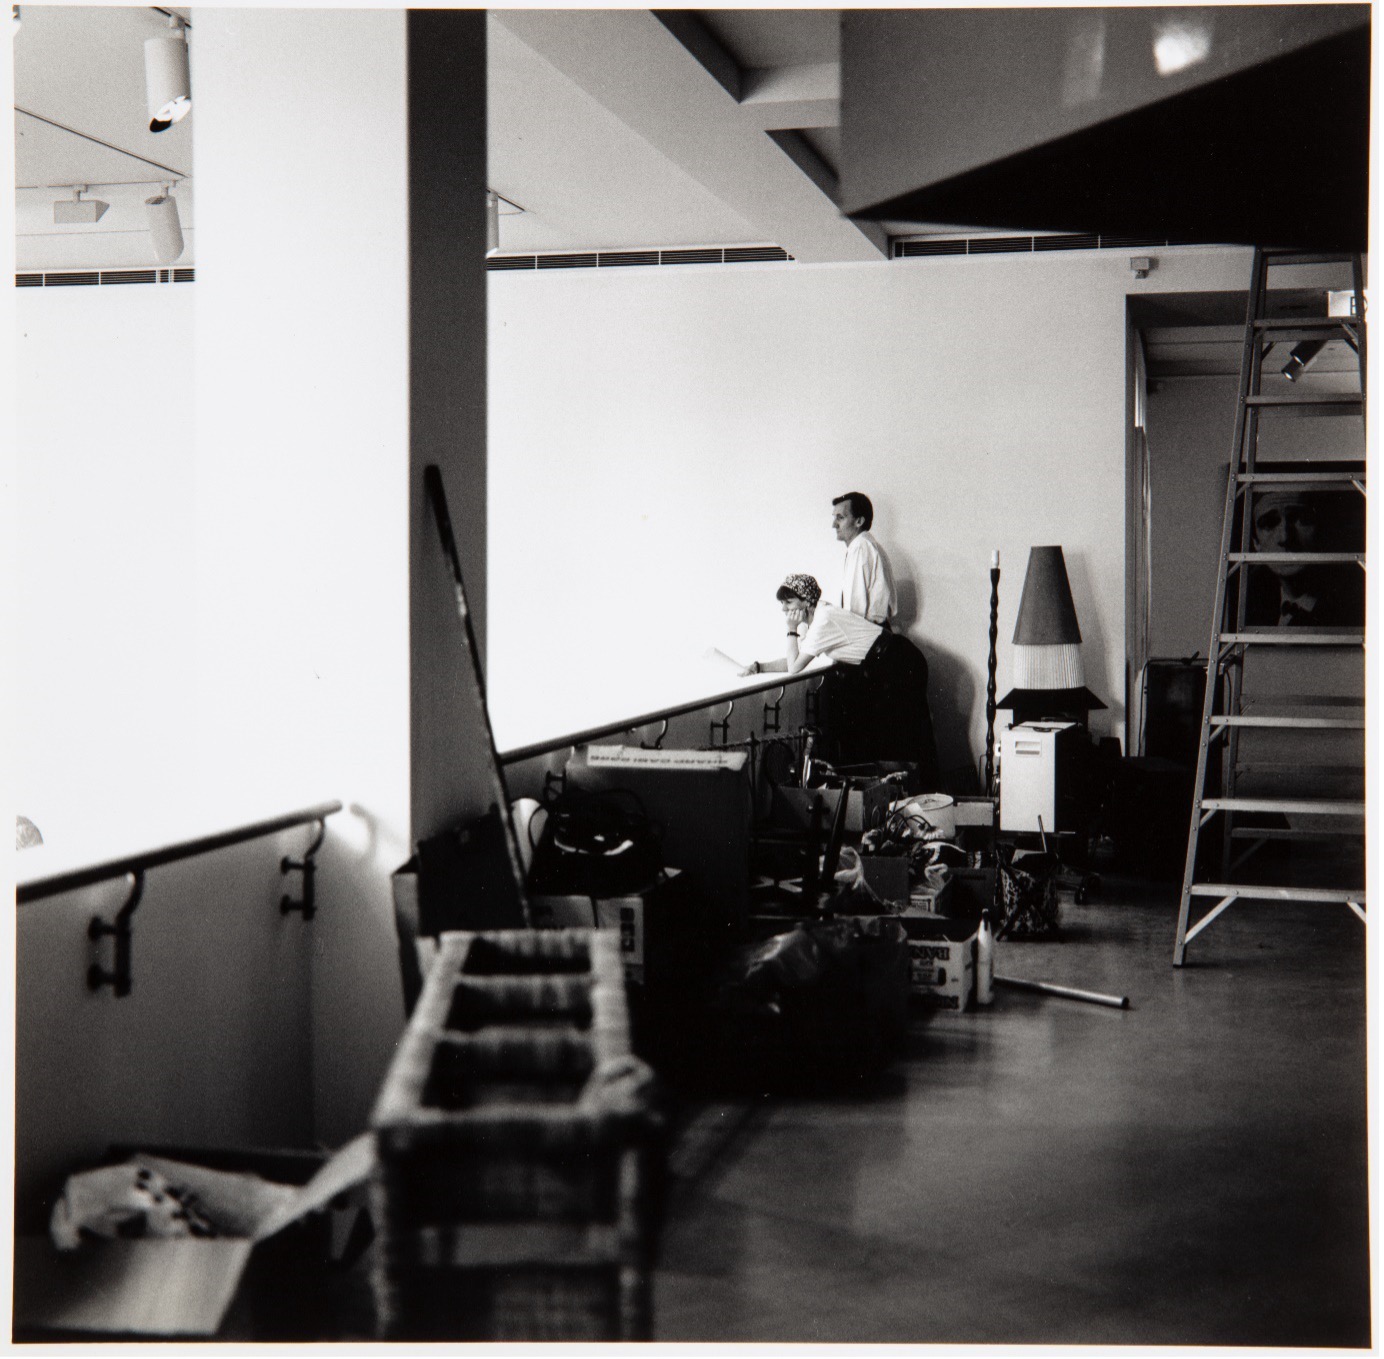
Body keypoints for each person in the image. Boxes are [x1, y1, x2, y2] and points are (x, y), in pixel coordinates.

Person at [742, 573, 939, 787]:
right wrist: (760, 667)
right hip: (893, 660)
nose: (783, 609)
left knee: (904, 736)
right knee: (905, 734)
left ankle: (923, 790)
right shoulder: (820, 617)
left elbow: (794, 667)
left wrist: (791, 629)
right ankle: (920, 789)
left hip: (898, 662)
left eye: (788, 602)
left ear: (806, 602)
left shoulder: (823, 620)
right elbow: (797, 659)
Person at [1244, 488, 1365, 628]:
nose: (1285, 537)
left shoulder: (1355, 608)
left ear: (1321, 529)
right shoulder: (1249, 609)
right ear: (1256, 542)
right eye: (1269, 523)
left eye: (1301, 519)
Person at [832, 492, 897, 627]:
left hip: (867, 633)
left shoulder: (860, 547)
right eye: (834, 518)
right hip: (874, 631)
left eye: (840, 518)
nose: (834, 525)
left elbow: (854, 610)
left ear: (859, 521)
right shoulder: (867, 545)